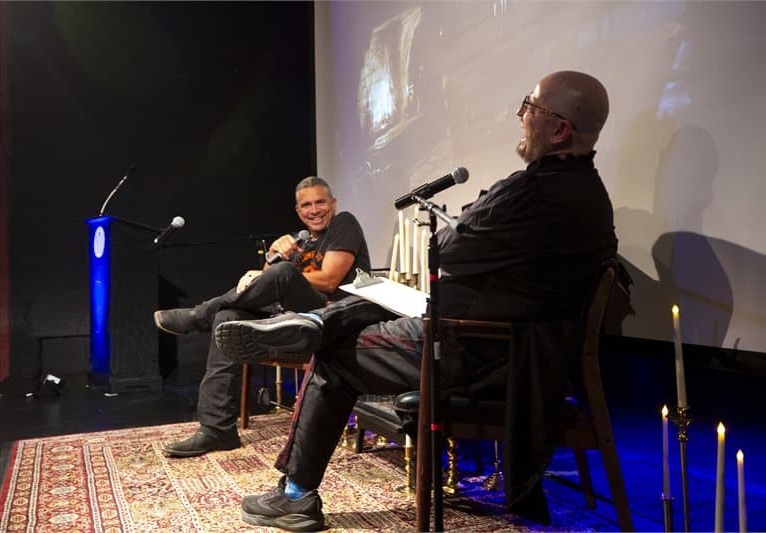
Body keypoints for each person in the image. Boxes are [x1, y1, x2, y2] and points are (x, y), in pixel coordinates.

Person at [214, 71, 619, 531]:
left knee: (335, 357)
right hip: (515, 351)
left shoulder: (534, 191)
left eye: (530, 106)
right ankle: (311, 325)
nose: (521, 116)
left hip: (474, 351)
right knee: (383, 300)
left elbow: (446, 249)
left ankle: (296, 493)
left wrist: (474, 216)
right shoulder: (590, 194)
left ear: (560, 128)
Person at [154, 176, 370, 457]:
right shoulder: (299, 243)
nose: (314, 210)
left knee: (283, 274)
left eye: (320, 202)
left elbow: (329, 280)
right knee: (228, 318)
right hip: (288, 323)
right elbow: (266, 289)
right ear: (298, 211)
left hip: (331, 320)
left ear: (333, 203)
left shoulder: (344, 223)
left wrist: (276, 272)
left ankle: (199, 315)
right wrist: (271, 256)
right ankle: (217, 430)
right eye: (307, 205)